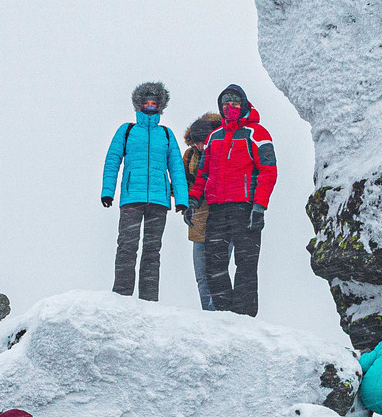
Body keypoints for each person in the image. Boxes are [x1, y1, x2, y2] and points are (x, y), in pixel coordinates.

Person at [100, 82, 191, 301]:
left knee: (152, 252)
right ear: (139, 105)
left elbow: (177, 167)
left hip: (159, 201)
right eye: (146, 103)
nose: (150, 106)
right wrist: (107, 191)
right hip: (132, 198)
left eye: (154, 103)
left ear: (160, 107)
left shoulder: (167, 135)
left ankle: (149, 301)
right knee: (126, 247)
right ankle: (121, 296)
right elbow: (112, 160)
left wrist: (181, 199)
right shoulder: (127, 130)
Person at [192, 84, 276, 315]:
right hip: (217, 210)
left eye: (235, 104)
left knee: (246, 264)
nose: (230, 108)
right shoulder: (213, 137)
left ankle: (245, 317)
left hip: (245, 208)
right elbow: (203, 173)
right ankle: (223, 315)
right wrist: (193, 200)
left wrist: (259, 207)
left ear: (244, 105)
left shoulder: (257, 133)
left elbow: (269, 171)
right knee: (214, 265)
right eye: (226, 105)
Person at [181, 109, 223, 310]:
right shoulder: (190, 156)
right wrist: (184, 201)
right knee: (202, 276)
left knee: (218, 272)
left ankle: (221, 314)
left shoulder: (222, 148)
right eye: (196, 142)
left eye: (202, 140)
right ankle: (209, 314)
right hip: (197, 220)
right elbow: (182, 183)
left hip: (221, 217)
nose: (200, 145)